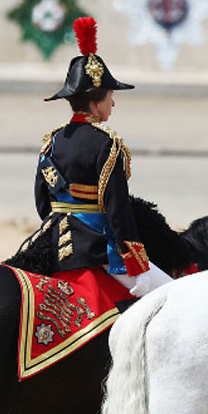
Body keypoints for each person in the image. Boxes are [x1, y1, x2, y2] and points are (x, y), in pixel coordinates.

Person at [29, 16, 171, 297]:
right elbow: (118, 210)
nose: (113, 103)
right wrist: (136, 264)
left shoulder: (52, 141)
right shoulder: (107, 143)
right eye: (109, 96)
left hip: (55, 242)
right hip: (96, 249)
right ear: (95, 103)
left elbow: (42, 202)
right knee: (174, 294)